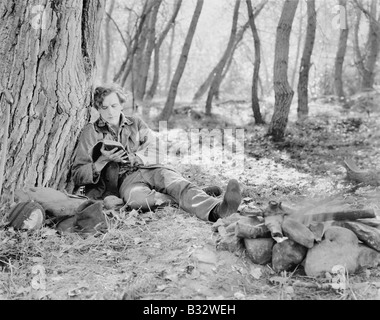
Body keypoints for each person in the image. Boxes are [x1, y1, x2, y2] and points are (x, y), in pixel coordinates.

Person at [71, 85, 242, 223]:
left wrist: (137, 157)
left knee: (176, 182)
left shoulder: (136, 123)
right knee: (137, 201)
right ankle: (188, 197)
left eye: (114, 106)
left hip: (150, 168)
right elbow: (78, 173)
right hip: (124, 182)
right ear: (98, 108)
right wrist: (101, 162)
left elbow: (156, 149)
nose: (110, 112)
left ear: (122, 104)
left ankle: (218, 211)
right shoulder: (91, 132)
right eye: (104, 107)